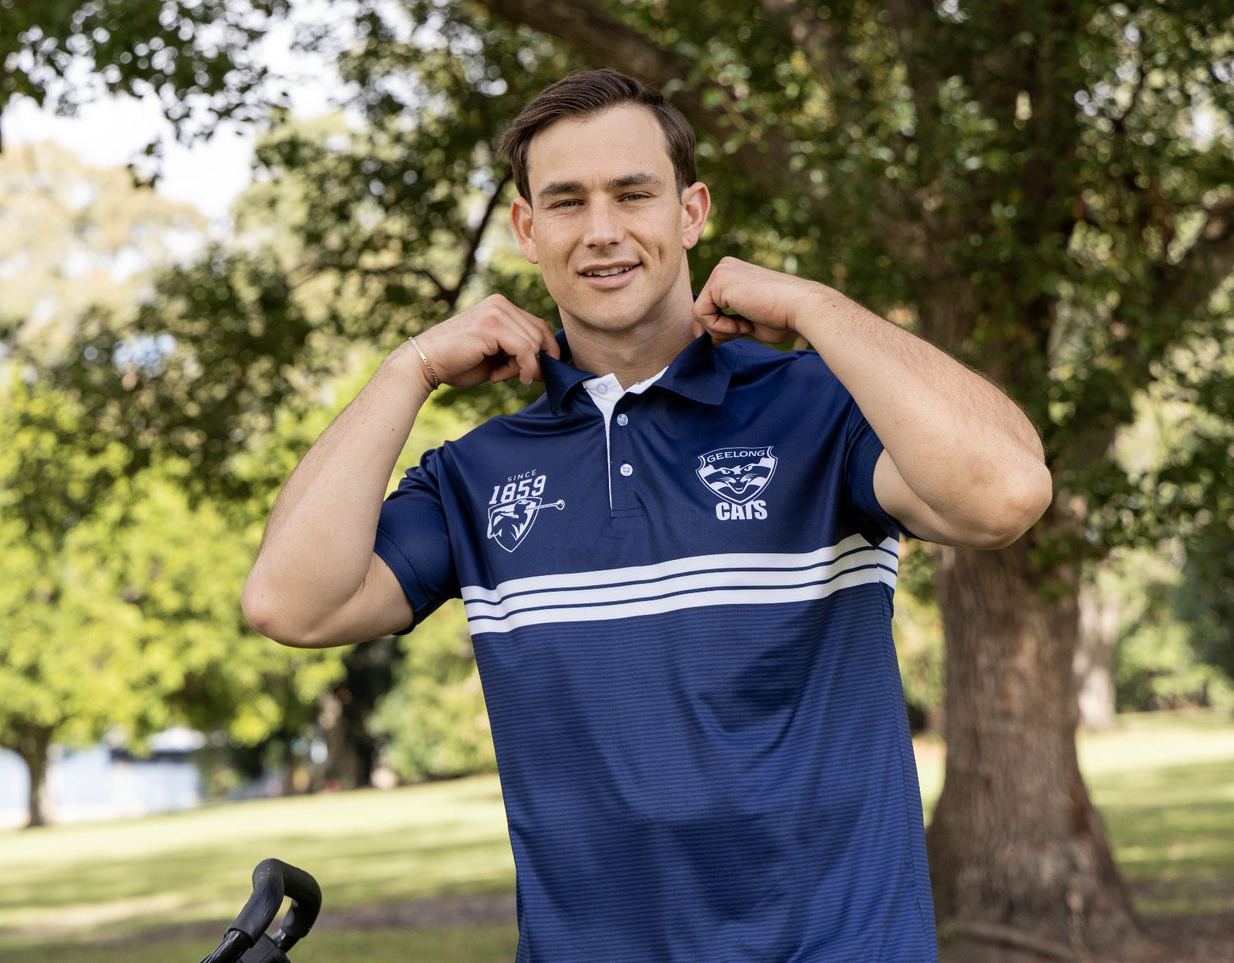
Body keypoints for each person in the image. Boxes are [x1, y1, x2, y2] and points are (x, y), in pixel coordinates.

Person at [242, 69, 1051, 961]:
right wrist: (408, 370)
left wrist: (816, 309)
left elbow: (1004, 493)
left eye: (633, 194)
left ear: (690, 211)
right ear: (526, 230)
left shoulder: (821, 410)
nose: (601, 231)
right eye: (565, 202)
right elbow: (292, 602)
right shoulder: (475, 474)